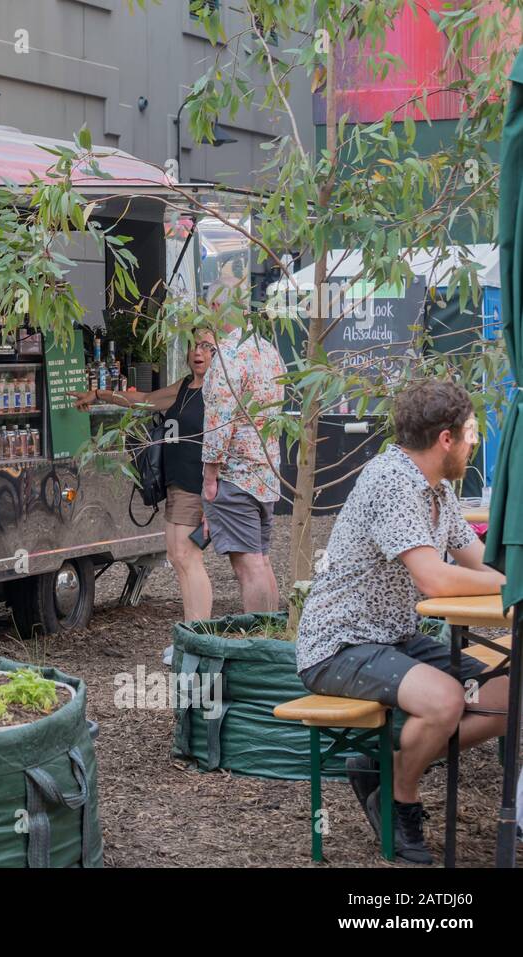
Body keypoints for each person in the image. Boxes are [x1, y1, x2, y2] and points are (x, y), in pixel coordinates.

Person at [296, 380, 509, 864]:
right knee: (445, 700)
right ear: (446, 439)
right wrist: (510, 588)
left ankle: (385, 765)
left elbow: (475, 559)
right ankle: (397, 797)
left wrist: (513, 576)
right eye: (471, 431)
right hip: (339, 646)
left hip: (395, 640)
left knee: (506, 696)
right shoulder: (391, 482)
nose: (476, 439)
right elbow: (435, 579)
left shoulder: (438, 487)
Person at [73, 329, 216, 624]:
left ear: (219, 353)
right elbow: (145, 400)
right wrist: (100, 394)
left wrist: (213, 495)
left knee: (189, 558)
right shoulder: (186, 386)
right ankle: (192, 631)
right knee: (177, 556)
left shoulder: (219, 392)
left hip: (198, 484)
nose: (198, 353)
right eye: (193, 346)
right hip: (176, 483)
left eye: (206, 346)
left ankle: (199, 633)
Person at [201, 309, 285, 612]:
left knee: (248, 567)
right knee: (261, 559)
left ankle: (260, 642)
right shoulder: (268, 349)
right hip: (265, 471)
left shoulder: (228, 356)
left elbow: (220, 419)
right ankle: (273, 633)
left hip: (235, 473)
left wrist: (210, 478)